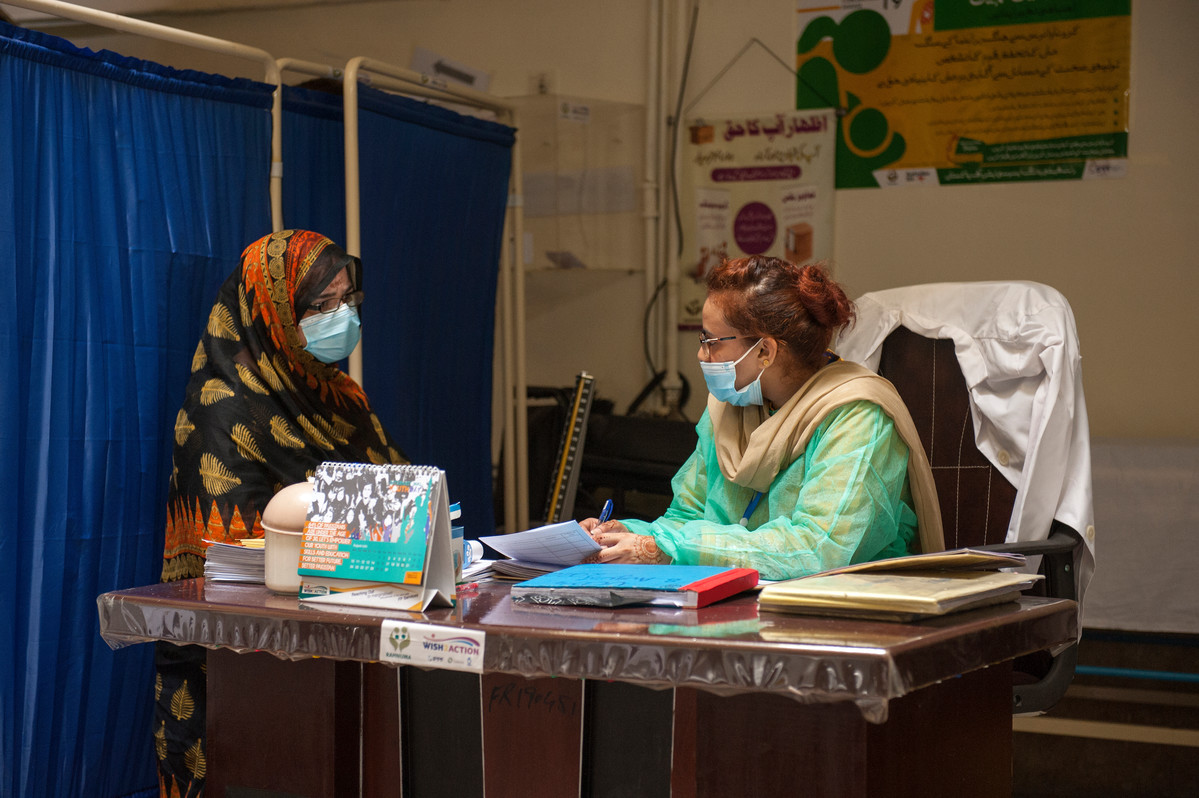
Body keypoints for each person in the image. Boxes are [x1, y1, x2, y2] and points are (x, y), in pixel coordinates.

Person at [155, 229, 407, 797]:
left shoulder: (340, 396)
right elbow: (230, 575)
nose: (340, 317)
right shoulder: (220, 414)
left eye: (347, 301)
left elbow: (404, 498)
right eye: (322, 306)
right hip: (241, 684)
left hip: (347, 660)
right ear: (273, 313)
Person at [582, 256, 943, 580]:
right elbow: (684, 521)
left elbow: (817, 549)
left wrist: (664, 547)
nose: (702, 354)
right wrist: (620, 534)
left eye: (712, 342)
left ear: (765, 351)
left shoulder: (856, 416)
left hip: (848, 613)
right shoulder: (729, 410)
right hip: (735, 601)